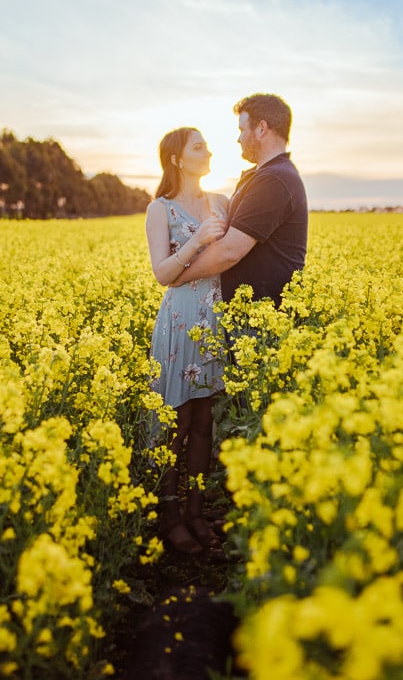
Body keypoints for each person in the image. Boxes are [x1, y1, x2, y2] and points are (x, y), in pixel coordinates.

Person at [145, 127, 229, 555]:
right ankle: (170, 514)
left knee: (203, 425)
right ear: (177, 158)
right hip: (179, 322)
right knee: (174, 425)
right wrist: (197, 240)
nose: (208, 151)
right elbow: (162, 274)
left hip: (213, 319)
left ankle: (196, 511)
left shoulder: (222, 202)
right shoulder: (160, 209)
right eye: (199, 147)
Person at [172, 93, 307, 304]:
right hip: (250, 315)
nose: (239, 138)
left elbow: (230, 251)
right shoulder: (264, 175)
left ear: (261, 129)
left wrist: (178, 277)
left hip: (261, 320)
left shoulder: (274, 179)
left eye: (242, 130)